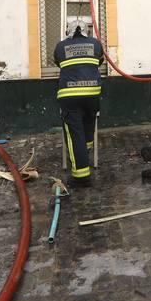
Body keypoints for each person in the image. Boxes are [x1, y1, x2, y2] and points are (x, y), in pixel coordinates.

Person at [53, 20, 103, 187]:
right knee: (89, 121)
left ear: (68, 31)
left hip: (69, 96)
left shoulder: (60, 47)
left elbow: (59, 64)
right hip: (92, 95)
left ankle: (81, 177)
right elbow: (99, 62)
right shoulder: (95, 44)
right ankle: (86, 149)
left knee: (75, 134)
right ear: (86, 31)